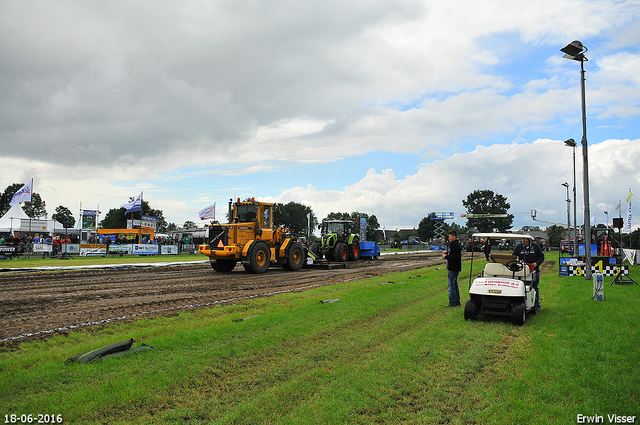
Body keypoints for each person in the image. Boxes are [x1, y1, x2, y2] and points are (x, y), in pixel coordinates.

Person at [512, 236, 545, 310]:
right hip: (521, 271)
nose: (525, 244)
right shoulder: (519, 247)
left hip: (533, 270)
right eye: (524, 242)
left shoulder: (536, 247)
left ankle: (537, 305)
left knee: (534, 287)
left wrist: (536, 263)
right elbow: (513, 256)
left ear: (530, 241)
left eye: (527, 242)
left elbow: (542, 257)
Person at [442, 230, 462, 307]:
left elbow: (454, 257)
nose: (449, 238)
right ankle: (457, 300)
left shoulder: (455, 245)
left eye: (450, 237)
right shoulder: (454, 244)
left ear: (454, 236)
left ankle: (452, 301)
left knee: (451, 285)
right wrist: (447, 253)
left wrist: (445, 257)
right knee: (455, 284)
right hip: (455, 268)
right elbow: (453, 254)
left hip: (453, 268)